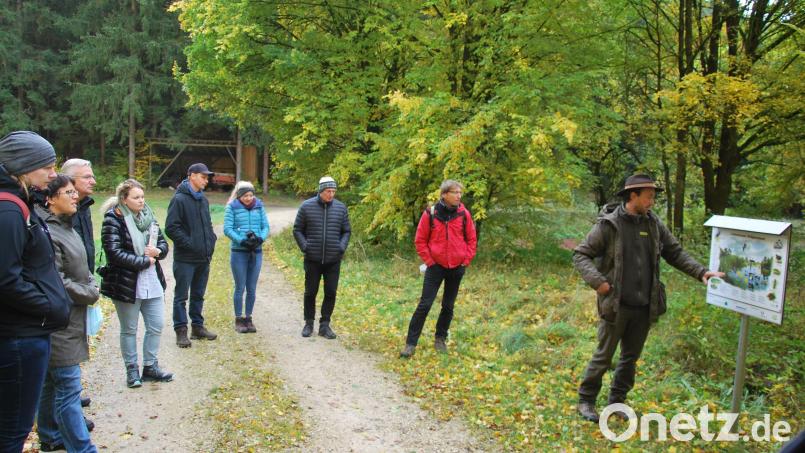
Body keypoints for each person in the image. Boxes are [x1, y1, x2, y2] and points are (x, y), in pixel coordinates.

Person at [572, 174, 723, 423]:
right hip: (616, 305)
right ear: (633, 195)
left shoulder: (653, 224)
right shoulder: (609, 225)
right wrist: (598, 282)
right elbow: (581, 255)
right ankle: (586, 400)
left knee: (630, 359)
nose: (652, 201)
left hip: (645, 305)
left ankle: (617, 403)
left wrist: (701, 272)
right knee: (604, 356)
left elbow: (674, 252)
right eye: (649, 196)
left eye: (653, 197)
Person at [0, 131, 71, 452]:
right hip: (19, 338)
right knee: (13, 432)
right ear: (24, 167)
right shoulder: (9, 210)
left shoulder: (19, 203)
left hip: (25, 334)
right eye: (48, 165)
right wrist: (48, 306)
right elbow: (5, 279)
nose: (54, 173)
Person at [35, 175, 99, 453]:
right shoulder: (48, 231)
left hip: (71, 320)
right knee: (68, 388)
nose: (75, 196)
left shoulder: (67, 227)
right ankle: (83, 449)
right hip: (59, 322)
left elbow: (81, 269)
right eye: (68, 192)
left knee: (52, 383)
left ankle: (49, 436)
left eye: (75, 191)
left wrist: (90, 283)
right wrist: (90, 292)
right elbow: (56, 279)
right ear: (50, 199)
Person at [100, 179, 173, 388]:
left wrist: (159, 252)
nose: (141, 201)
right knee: (129, 329)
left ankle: (150, 366)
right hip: (127, 282)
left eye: (142, 197)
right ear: (124, 199)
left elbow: (162, 242)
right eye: (136, 197)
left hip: (152, 280)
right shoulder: (113, 218)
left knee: (157, 324)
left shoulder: (148, 216)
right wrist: (143, 261)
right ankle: (132, 370)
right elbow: (113, 253)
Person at [400, 180, 477, 358]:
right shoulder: (431, 213)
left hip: (457, 267)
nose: (459, 196)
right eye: (455, 192)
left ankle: (440, 339)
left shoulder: (464, 214)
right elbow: (420, 240)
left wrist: (465, 260)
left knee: (448, 306)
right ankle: (410, 344)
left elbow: (472, 240)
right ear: (444, 194)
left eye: (460, 193)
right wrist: (429, 261)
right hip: (435, 266)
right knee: (425, 304)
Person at [165, 163, 218, 347]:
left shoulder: (203, 200)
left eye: (207, 177)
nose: (206, 180)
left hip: (203, 258)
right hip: (185, 259)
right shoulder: (179, 199)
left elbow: (208, 225)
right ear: (192, 176)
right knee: (181, 296)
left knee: (198, 294)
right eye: (203, 177)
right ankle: (181, 331)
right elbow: (171, 227)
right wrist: (190, 244)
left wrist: (211, 241)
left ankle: (197, 327)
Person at [293, 176, 351, 339]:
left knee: (331, 292)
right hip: (313, 259)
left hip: (333, 259)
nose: (331, 194)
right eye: (328, 191)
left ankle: (325, 325)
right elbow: (297, 229)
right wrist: (305, 246)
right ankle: (308, 323)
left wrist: (341, 247)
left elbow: (346, 231)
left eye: (333, 191)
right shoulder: (306, 207)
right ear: (321, 191)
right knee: (310, 292)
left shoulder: (341, 208)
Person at [60, 158, 96, 419]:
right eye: (87, 177)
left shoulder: (84, 207)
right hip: (68, 292)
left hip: (82, 286)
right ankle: (68, 410)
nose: (93, 181)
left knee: (78, 345)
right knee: (65, 354)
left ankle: (73, 396)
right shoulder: (64, 211)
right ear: (70, 181)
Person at [224, 181, 269, 333]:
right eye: (245, 196)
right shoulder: (232, 207)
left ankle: (248, 318)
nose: (249, 198)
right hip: (239, 252)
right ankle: (239, 318)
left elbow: (265, 226)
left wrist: (260, 239)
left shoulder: (259, 206)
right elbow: (227, 229)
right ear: (239, 196)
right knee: (240, 287)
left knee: (251, 288)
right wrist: (241, 240)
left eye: (251, 195)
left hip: (256, 252)